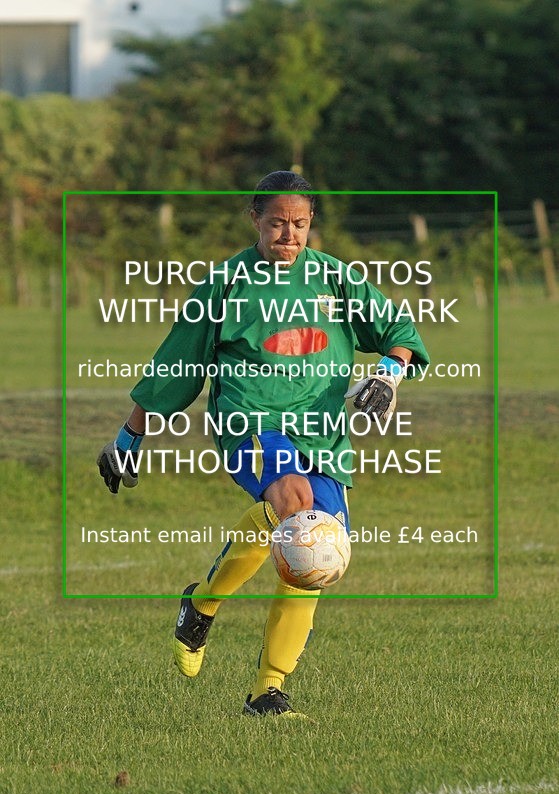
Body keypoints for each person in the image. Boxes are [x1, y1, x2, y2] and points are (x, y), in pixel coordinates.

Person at [97, 170, 430, 717]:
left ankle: (264, 687)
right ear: (255, 219)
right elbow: (176, 363)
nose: (289, 235)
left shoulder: (335, 279)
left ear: (311, 224)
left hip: (322, 432)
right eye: (277, 223)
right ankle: (206, 605)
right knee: (295, 504)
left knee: (319, 556)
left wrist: (389, 374)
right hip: (249, 420)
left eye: (300, 224)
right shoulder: (226, 283)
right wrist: (130, 434)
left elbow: (400, 332)